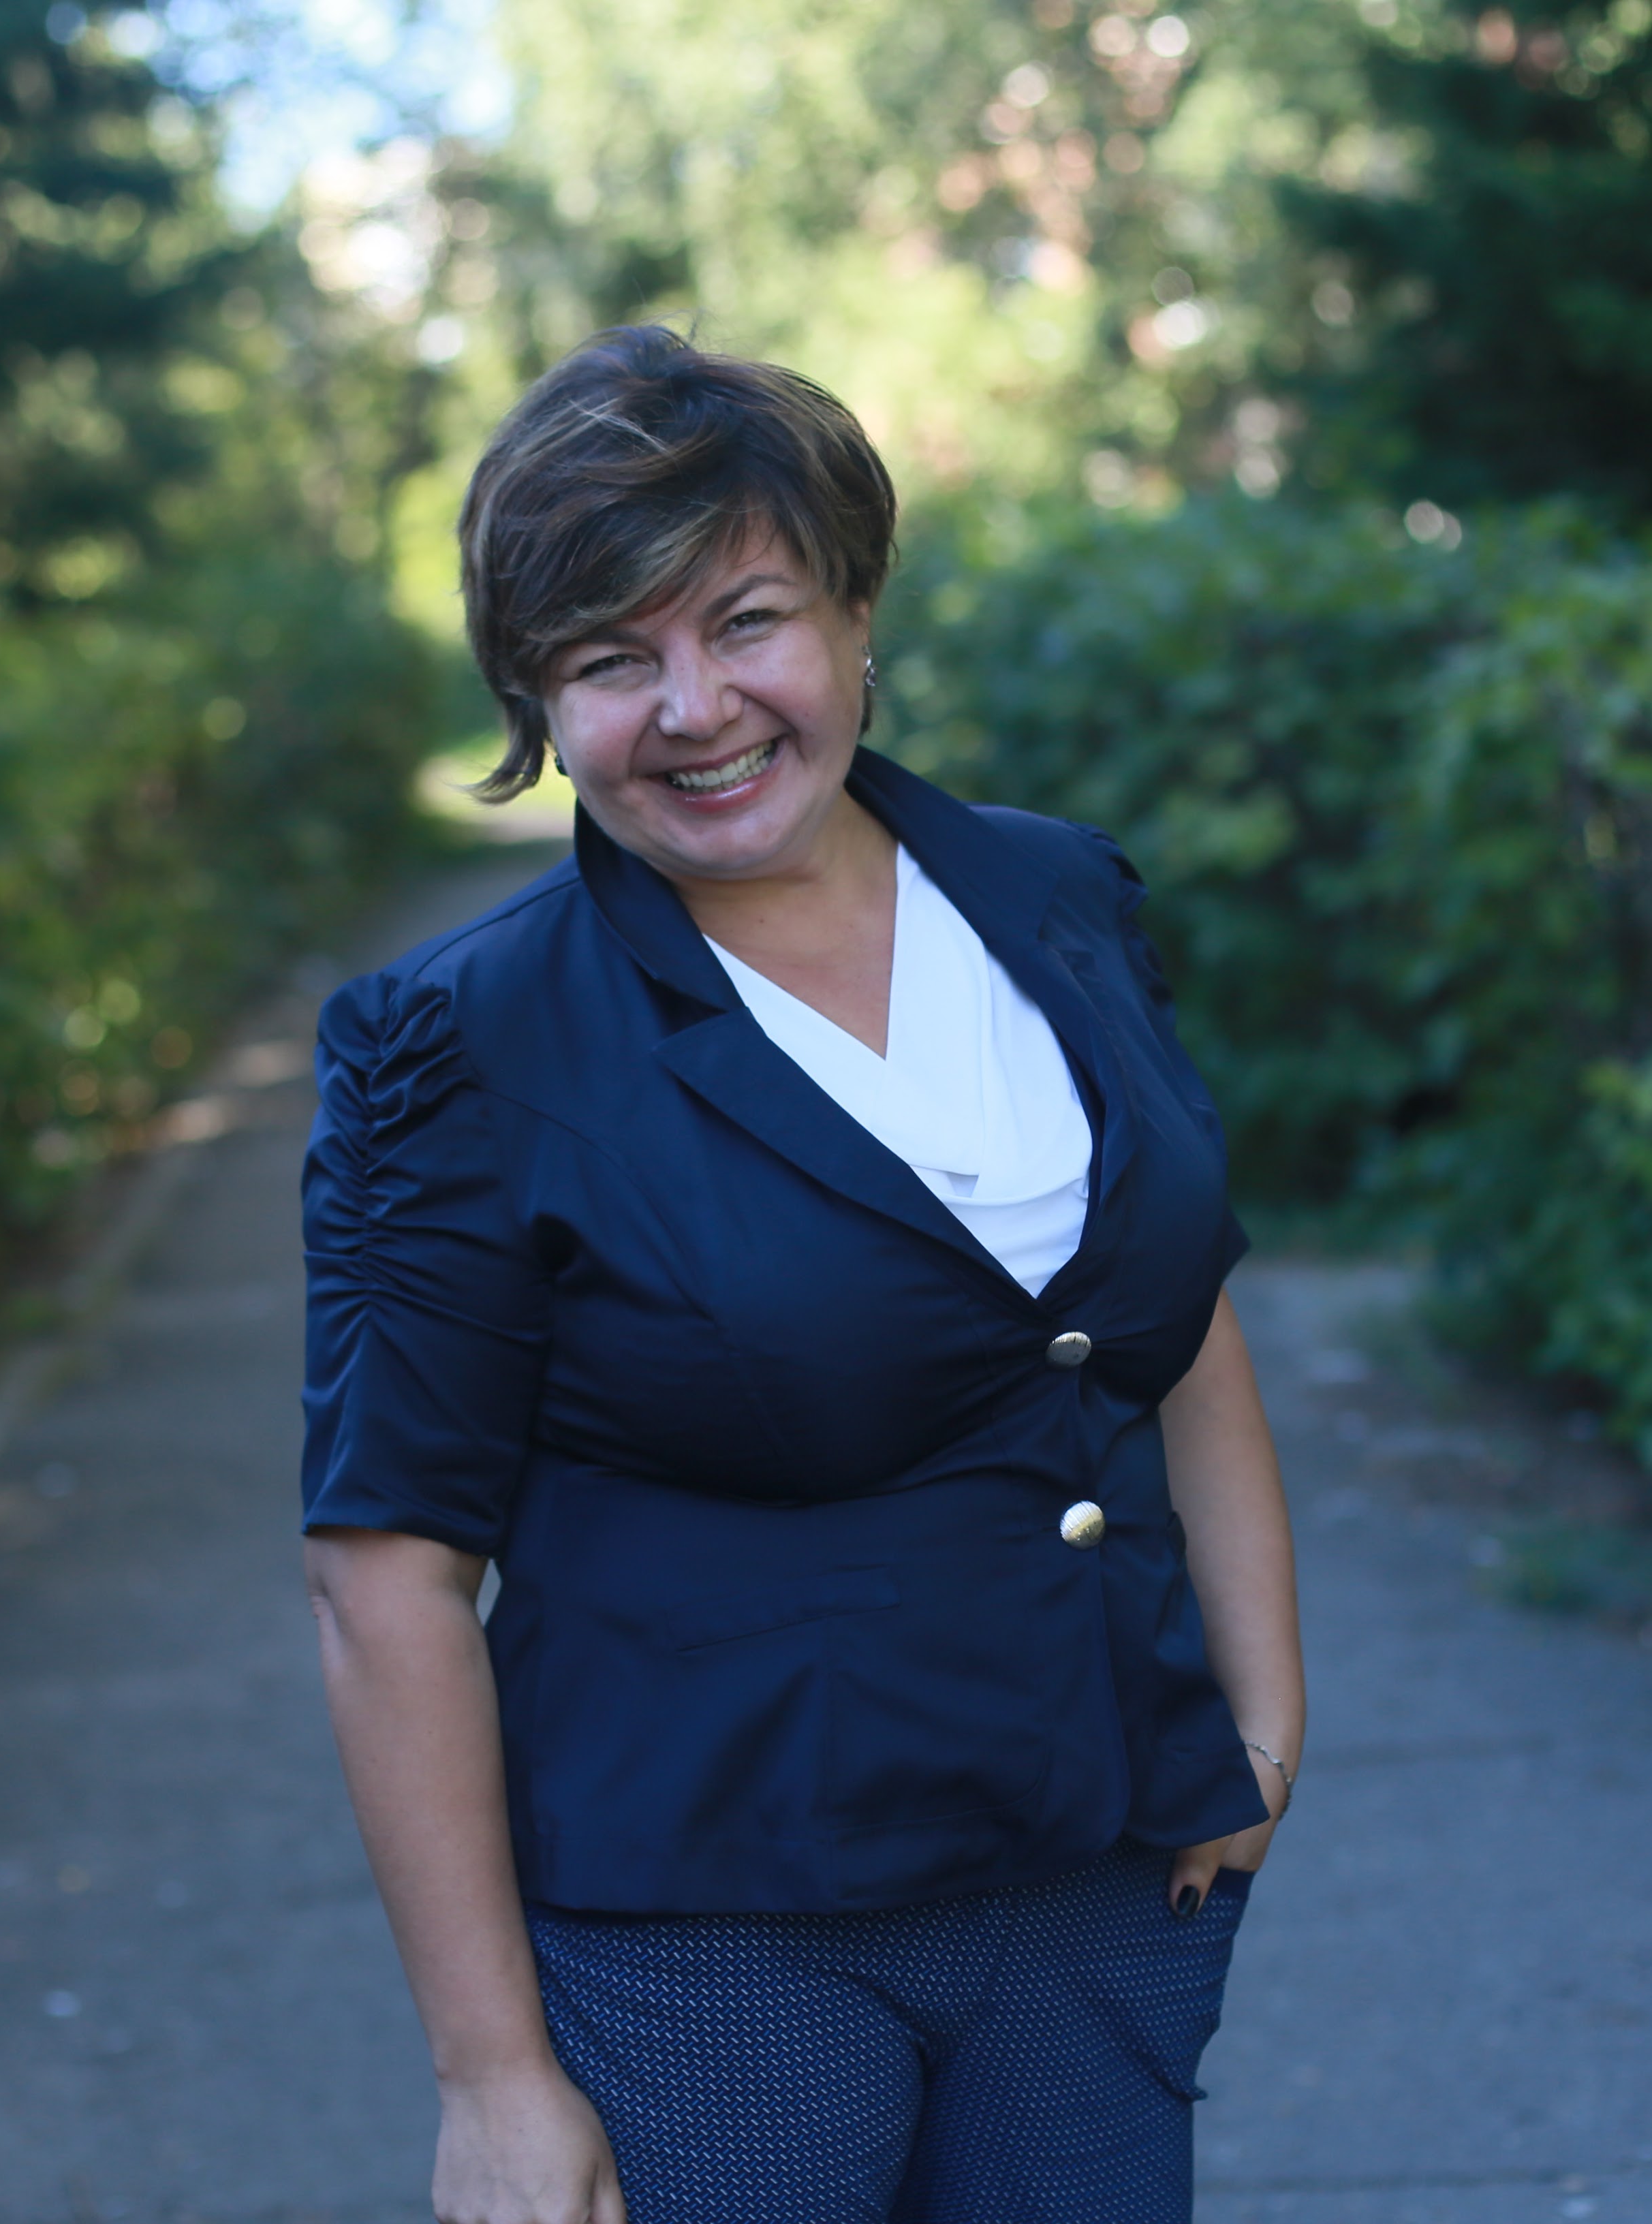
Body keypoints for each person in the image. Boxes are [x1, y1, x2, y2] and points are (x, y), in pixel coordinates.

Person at [300, 326, 1305, 2224]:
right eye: (611, 659)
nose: (695, 707)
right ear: (538, 703)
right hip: (719, 1949)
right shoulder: (462, 1047)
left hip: (1100, 1873)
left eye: (746, 620)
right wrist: (491, 2077)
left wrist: (1261, 1726)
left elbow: (1166, 1319)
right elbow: (386, 1578)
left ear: (853, 613)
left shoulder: (1057, 900)